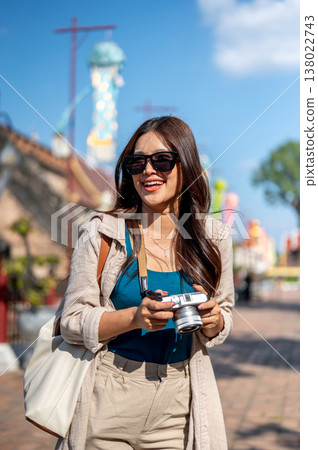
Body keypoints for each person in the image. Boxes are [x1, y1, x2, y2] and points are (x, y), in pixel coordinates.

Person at [56, 116, 234, 450]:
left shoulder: (214, 238)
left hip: (179, 404)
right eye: (137, 162)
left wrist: (214, 320)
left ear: (186, 165)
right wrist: (135, 318)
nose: (148, 171)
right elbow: (71, 321)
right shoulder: (101, 232)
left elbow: (224, 313)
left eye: (162, 160)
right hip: (108, 398)